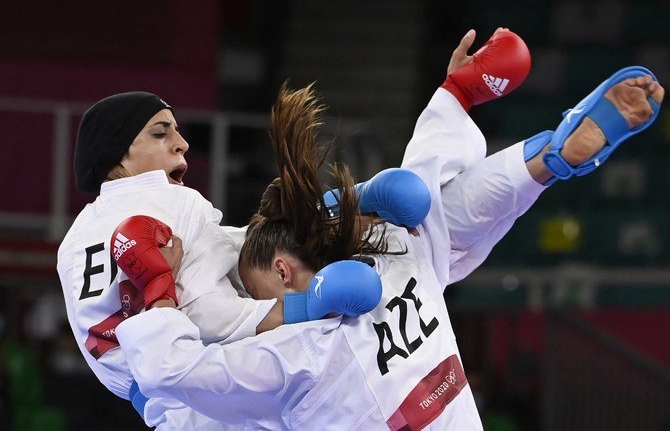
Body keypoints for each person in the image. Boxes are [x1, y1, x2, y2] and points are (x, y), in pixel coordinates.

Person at [116, 27, 664, 429]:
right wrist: (457, 95)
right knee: (434, 217)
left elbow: (178, 376)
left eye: (260, 296)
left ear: (282, 269)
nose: (265, 315)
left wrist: (157, 300)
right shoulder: (395, 256)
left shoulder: (294, 356)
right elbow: (427, 188)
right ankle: (549, 157)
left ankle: (547, 159)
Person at [57, 89, 391, 427]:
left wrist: (325, 210)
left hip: (162, 408)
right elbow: (208, 312)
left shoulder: (71, 244)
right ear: (118, 152)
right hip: (216, 390)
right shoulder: (172, 201)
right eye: (161, 133)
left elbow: (231, 247)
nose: (181, 143)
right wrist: (308, 305)